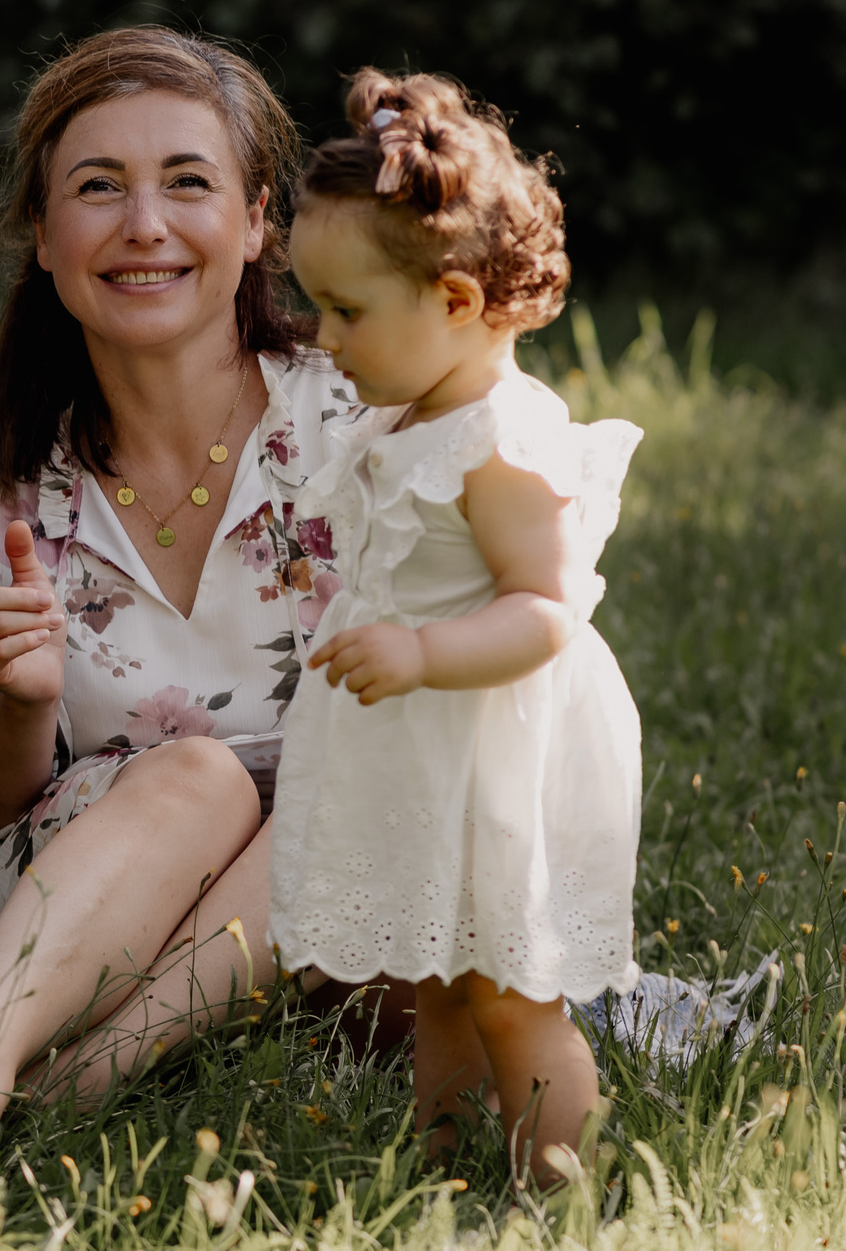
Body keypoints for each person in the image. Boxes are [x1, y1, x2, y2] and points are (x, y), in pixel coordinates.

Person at [0, 26, 377, 1196]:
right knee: (199, 774)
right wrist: (22, 704)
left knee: (365, 782)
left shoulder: (363, 427)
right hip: (59, 929)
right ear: (41, 233)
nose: (144, 227)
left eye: (188, 182)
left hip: (349, 899)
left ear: (260, 220)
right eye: (96, 188)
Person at [272, 69, 643, 1183]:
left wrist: (423, 650)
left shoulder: (497, 444)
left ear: (457, 303)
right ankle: (438, 1163)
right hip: (422, 752)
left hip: (494, 750)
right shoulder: (410, 406)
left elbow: (549, 608)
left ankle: (551, 1186)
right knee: (433, 978)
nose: (323, 338)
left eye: (346, 311)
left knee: (510, 994)